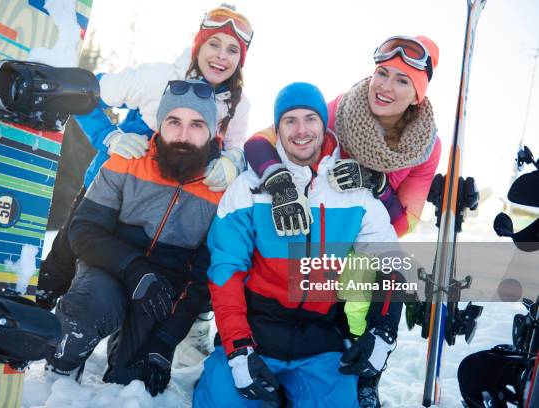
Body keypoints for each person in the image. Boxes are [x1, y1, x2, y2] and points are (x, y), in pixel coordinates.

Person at [36, 3, 253, 361]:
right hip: (112, 184)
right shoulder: (157, 77)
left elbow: (239, 148)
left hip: (177, 201)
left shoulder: (237, 105)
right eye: (215, 44)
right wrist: (109, 136)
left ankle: (172, 327)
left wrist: (231, 161)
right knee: (67, 256)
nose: (221, 56)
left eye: (233, 50)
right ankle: (40, 313)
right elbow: (85, 93)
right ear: (198, 44)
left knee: (176, 263)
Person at [243, 35, 441, 407]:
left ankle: (367, 373)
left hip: (364, 236)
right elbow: (259, 142)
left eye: (403, 80)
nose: (385, 86)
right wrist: (278, 180)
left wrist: (376, 186)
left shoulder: (425, 146)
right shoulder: (342, 109)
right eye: (382, 72)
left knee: (380, 271)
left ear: (418, 94)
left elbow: (405, 223)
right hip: (312, 224)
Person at [193, 82, 405, 408]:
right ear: (277, 129)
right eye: (290, 120)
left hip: (320, 340)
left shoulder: (354, 194)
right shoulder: (247, 189)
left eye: (311, 119)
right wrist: (238, 350)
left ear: (324, 124)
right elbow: (225, 271)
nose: (301, 130)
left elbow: (390, 264)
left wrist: (382, 332)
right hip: (256, 331)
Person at [44, 79, 223, 395]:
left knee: (135, 381)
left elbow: (203, 279)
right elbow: (83, 230)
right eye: (174, 122)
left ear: (211, 132)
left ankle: (127, 354)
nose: (183, 135)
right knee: (89, 308)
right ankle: (59, 369)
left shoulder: (221, 190)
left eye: (196, 124)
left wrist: (165, 342)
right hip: (108, 271)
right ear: (160, 125)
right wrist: (133, 268)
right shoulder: (128, 160)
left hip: (161, 294)